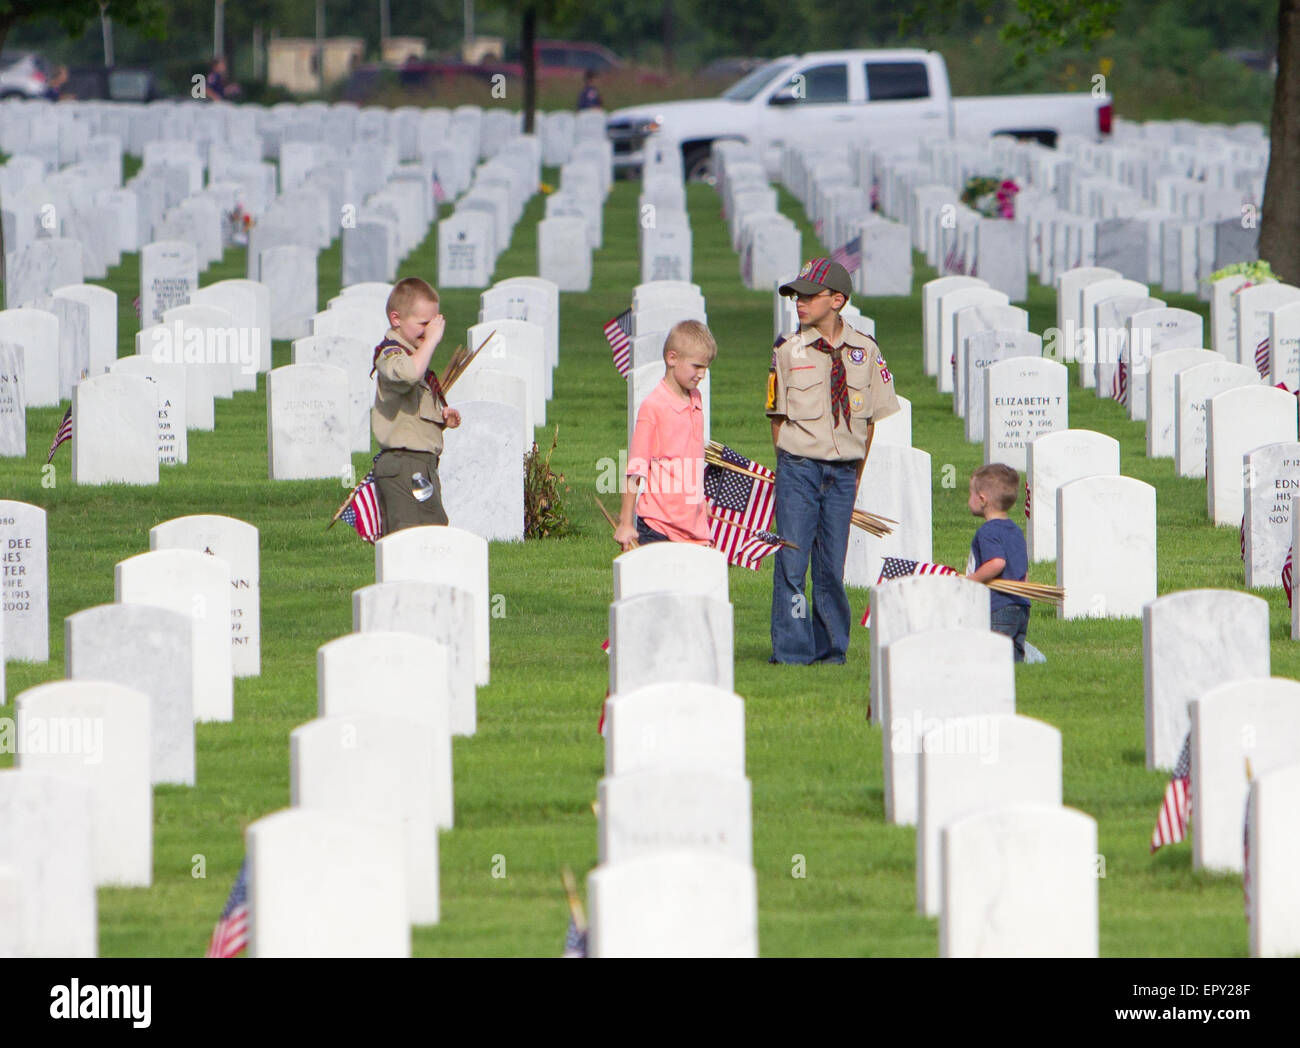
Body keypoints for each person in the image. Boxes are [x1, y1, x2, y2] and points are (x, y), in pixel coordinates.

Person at [766, 258, 899, 665]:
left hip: (842, 474)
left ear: (837, 300)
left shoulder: (866, 351)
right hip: (800, 469)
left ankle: (830, 649)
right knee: (791, 562)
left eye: (809, 295)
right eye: (795, 296)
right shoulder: (788, 351)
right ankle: (791, 650)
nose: (799, 302)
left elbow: (871, 420)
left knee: (830, 565)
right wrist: (790, 466)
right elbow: (777, 418)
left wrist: (854, 476)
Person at [614, 320, 716, 551]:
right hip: (658, 526)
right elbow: (635, 468)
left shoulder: (696, 400)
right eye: (697, 366)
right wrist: (625, 522)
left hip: (694, 528)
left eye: (706, 367)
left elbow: (691, 460)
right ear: (672, 358)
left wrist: (699, 502)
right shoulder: (654, 407)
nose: (702, 374)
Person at [371, 277, 462, 535]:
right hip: (404, 466)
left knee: (432, 531)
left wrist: (441, 417)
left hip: (420, 465)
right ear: (396, 319)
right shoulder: (390, 354)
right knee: (413, 537)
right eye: (423, 324)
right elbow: (408, 374)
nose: (430, 331)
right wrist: (431, 341)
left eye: (434, 324)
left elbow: (412, 410)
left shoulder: (412, 357)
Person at [965, 463, 1032, 662]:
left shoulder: (988, 531)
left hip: (998, 606)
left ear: (982, 499)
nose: (969, 499)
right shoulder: (1015, 529)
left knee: (993, 659)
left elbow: (996, 563)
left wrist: (972, 580)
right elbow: (1023, 571)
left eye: (970, 493)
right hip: (1021, 605)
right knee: (1013, 660)